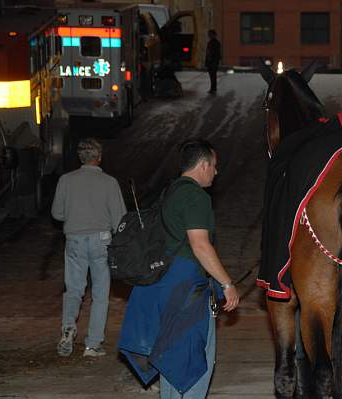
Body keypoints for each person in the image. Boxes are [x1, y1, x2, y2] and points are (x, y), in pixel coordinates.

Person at [118, 139, 240, 399]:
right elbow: (200, 245)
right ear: (203, 164)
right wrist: (227, 284)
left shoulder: (170, 191)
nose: (216, 173)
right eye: (214, 166)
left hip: (162, 285)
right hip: (186, 292)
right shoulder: (196, 196)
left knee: (170, 358)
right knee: (194, 364)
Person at [52, 138, 127, 357]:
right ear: (99, 157)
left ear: (80, 157)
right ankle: (93, 344)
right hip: (102, 241)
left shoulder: (66, 181)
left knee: (74, 288)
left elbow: (57, 214)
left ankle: (68, 327)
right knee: (100, 294)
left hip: (75, 239)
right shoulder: (109, 182)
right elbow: (120, 219)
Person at [205, 29, 221, 94]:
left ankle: (213, 89)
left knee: (213, 76)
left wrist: (213, 61)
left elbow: (216, 54)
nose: (209, 35)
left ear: (214, 35)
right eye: (209, 34)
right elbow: (208, 53)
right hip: (211, 62)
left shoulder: (215, 43)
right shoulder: (211, 42)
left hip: (213, 62)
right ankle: (213, 88)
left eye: (210, 34)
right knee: (212, 76)